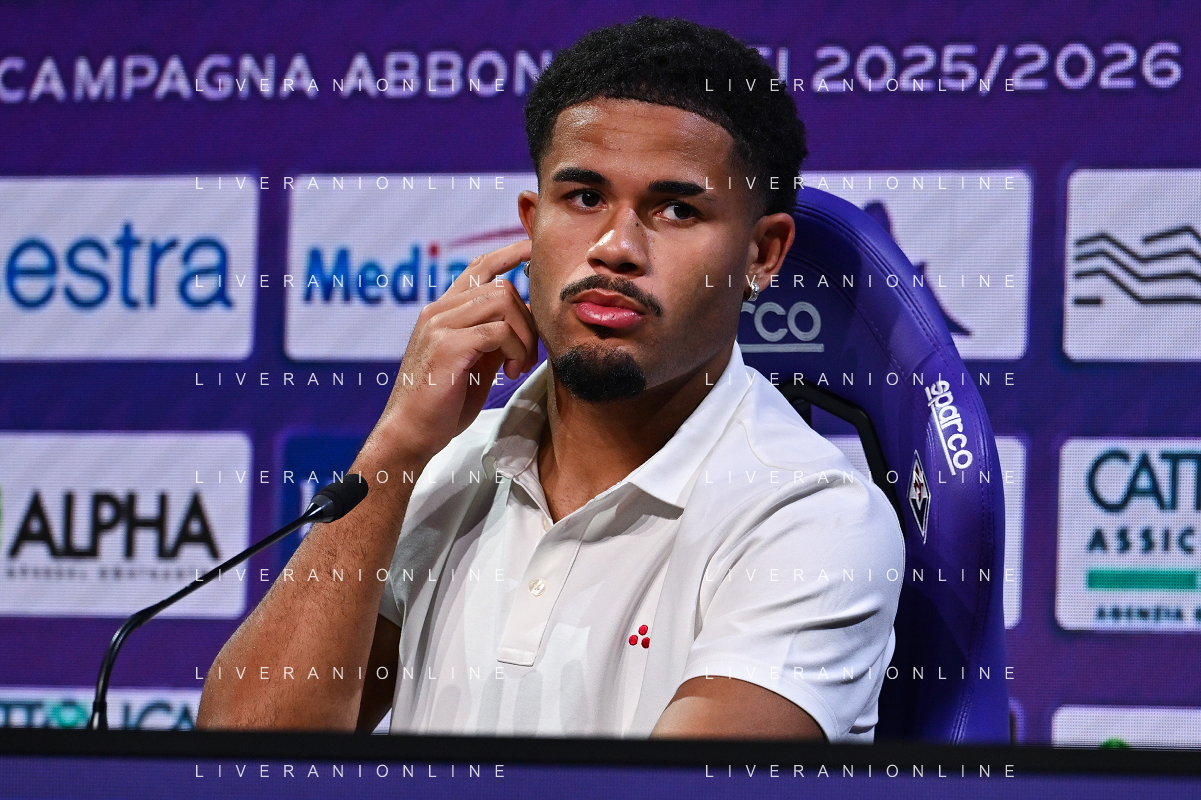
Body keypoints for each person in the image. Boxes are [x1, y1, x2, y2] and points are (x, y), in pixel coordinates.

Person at [197, 15, 905, 742]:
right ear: (532, 224)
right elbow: (244, 761)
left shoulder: (812, 519)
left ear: (762, 254)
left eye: (676, 209)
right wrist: (396, 447)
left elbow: (687, 793)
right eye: (585, 198)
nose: (615, 248)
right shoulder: (441, 470)